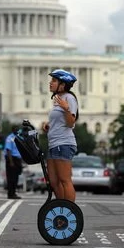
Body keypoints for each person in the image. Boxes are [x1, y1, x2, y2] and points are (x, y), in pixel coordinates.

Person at [42, 69, 78, 202]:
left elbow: (70, 123)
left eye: (54, 81)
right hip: (54, 144)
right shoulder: (58, 99)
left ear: (63, 84)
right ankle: (61, 207)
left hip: (64, 144)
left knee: (64, 180)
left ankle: (70, 210)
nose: (50, 83)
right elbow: (60, 121)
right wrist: (49, 125)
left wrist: (66, 108)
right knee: (54, 181)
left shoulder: (69, 98)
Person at [3, 125, 23, 199]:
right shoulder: (10, 138)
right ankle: (10, 194)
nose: (17, 130)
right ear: (12, 130)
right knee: (11, 178)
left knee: (16, 177)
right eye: (16, 129)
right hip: (11, 159)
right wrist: (11, 162)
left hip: (17, 159)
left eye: (18, 129)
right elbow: (8, 150)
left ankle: (13, 193)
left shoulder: (19, 137)